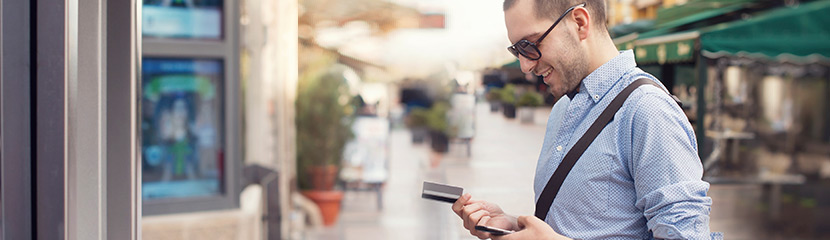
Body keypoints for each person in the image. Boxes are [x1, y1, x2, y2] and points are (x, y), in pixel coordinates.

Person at [452, 0, 722, 239]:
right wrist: (514, 225)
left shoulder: (647, 111)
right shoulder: (562, 109)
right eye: (517, 50)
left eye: (531, 45)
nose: (525, 66)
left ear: (579, 23)